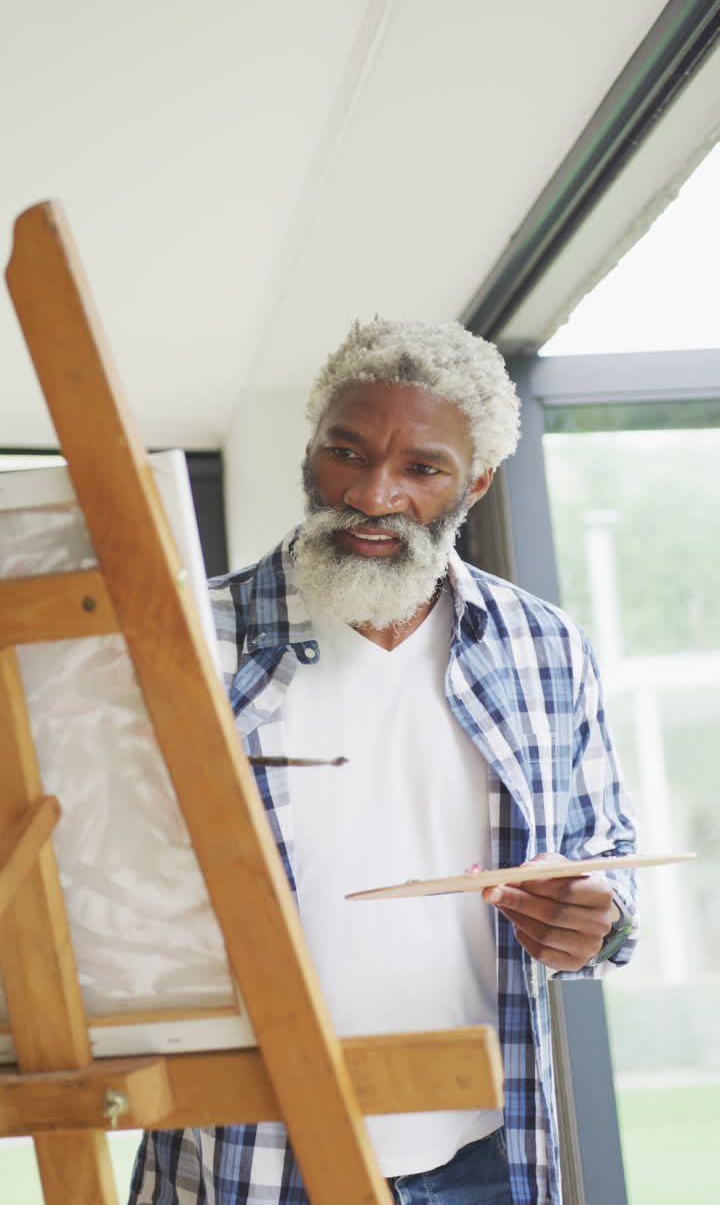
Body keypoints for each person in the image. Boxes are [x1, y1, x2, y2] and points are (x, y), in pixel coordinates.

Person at [129, 318, 637, 1205]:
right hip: (250, 1156)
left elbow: (609, 859)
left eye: (422, 469)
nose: (372, 494)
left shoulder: (545, 647)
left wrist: (601, 918)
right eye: (346, 453)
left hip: (485, 1152)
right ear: (311, 450)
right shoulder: (187, 641)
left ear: (476, 482)